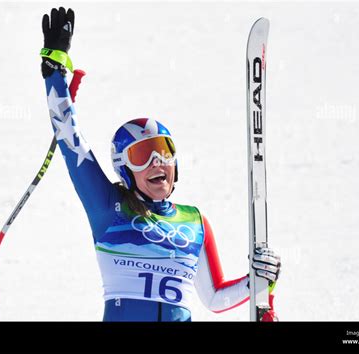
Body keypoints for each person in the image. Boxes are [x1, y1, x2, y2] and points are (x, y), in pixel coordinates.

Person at [40, 7, 281, 322]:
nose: (158, 162)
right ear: (124, 169)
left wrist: (261, 282)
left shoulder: (194, 222)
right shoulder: (107, 207)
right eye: (143, 156)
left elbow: (216, 297)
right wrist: (53, 72)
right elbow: (72, 143)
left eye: (164, 152)